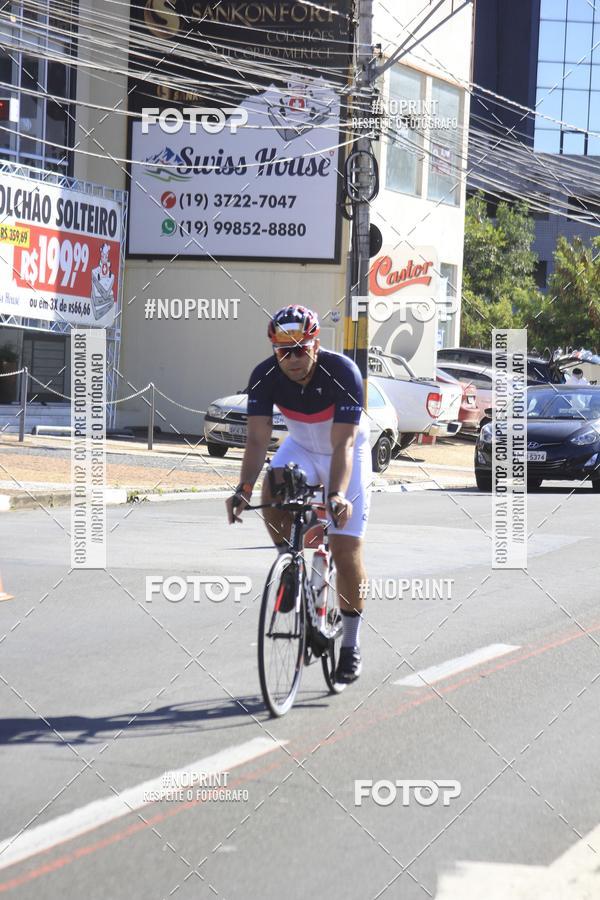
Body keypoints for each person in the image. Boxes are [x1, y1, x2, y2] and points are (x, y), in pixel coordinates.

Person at [225, 305, 372, 684]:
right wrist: (242, 489)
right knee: (271, 488)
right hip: (302, 447)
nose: (291, 358)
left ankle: (351, 647)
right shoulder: (264, 376)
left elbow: (344, 444)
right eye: (282, 351)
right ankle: (289, 568)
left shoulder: (343, 373)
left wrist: (337, 494)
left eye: (299, 349)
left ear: (315, 344)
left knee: (345, 547)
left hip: (345, 451)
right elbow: (257, 440)